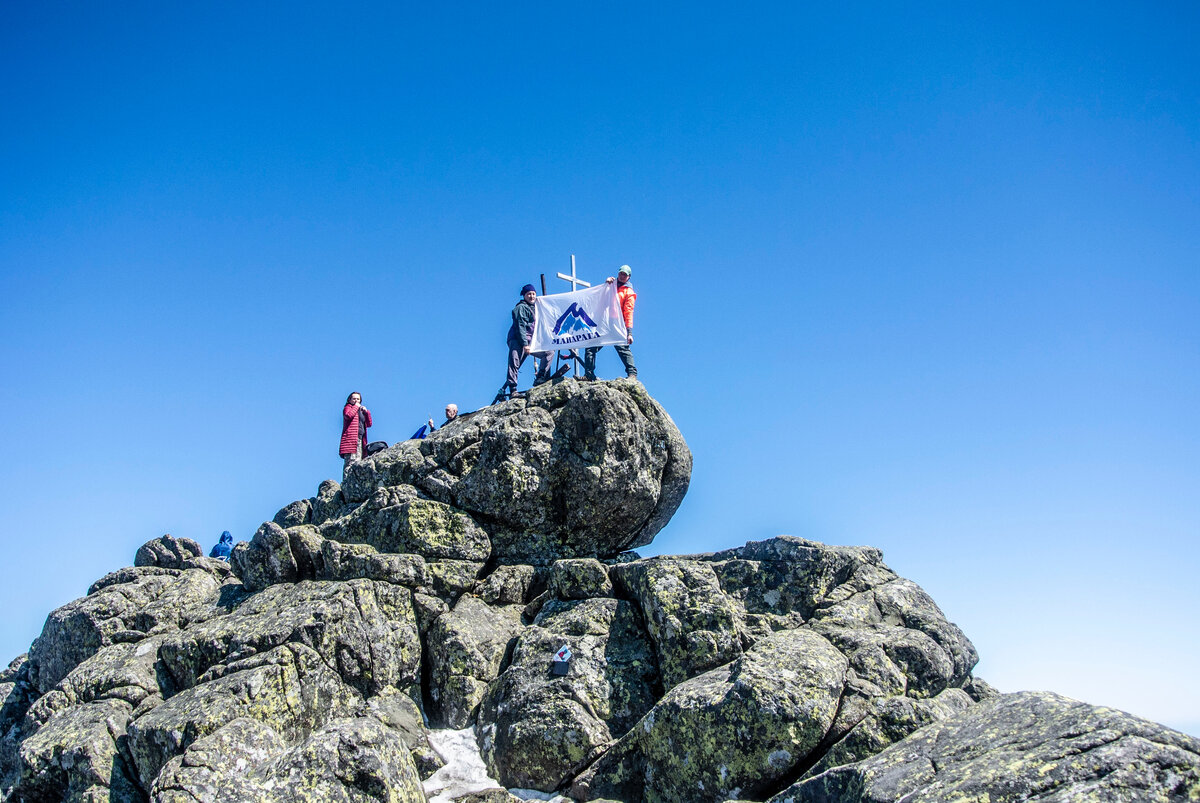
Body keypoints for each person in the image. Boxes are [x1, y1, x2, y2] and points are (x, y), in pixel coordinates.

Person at [495, 284, 552, 402]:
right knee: (515, 362)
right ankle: (513, 389)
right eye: (529, 294)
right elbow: (521, 326)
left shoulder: (536, 308)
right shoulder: (521, 308)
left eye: (533, 294)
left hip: (531, 340)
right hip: (517, 339)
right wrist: (525, 344)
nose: (531, 296)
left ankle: (540, 377)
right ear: (524, 295)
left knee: (548, 352)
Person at [584, 265, 637, 380]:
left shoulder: (629, 292)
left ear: (629, 277)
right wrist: (606, 285)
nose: (622, 276)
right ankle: (588, 374)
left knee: (622, 348)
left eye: (625, 274)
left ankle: (632, 374)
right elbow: (600, 297)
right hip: (604, 322)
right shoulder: (610, 285)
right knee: (591, 346)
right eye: (621, 273)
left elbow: (628, 312)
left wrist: (629, 333)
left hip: (618, 323)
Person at [339, 391, 372, 477]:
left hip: (360, 438)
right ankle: (347, 481)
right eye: (354, 398)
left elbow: (369, 424)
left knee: (358, 460)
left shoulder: (360, 411)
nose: (356, 400)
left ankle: (354, 480)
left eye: (358, 399)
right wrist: (356, 407)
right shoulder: (347, 408)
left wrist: (366, 412)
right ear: (349, 400)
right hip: (350, 439)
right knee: (350, 461)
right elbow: (348, 416)